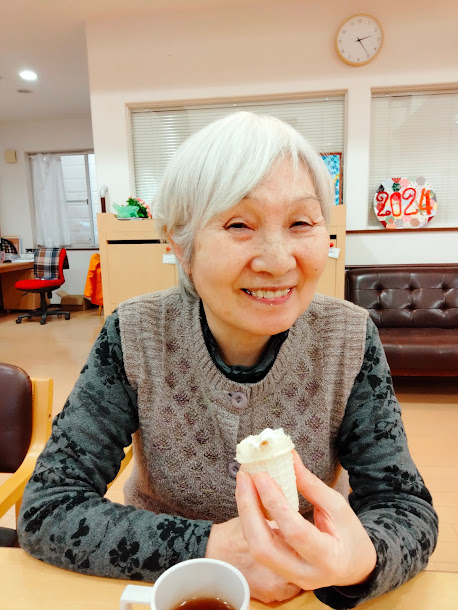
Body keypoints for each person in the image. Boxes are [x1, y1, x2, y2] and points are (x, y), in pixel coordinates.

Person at [18, 112, 438, 609]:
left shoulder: (348, 336)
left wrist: (359, 561)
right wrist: (211, 547)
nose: (278, 261)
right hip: (173, 590)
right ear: (180, 245)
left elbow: (405, 508)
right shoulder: (134, 334)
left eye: (301, 222)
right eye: (239, 224)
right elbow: (47, 507)